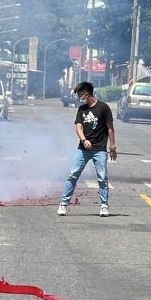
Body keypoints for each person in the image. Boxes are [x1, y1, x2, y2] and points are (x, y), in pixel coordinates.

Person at [58, 82, 117, 218]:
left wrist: (112, 147)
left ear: (86, 94)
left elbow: (110, 128)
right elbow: (78, 128)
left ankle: (104, 206)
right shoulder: (82, 109)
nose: (79, 97)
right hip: (83, 149)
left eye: (80, 94)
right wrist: (84, 140)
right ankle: (63, 204)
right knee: (73, 175)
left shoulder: (104, 108)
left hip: (100, 149)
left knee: (102, 178)